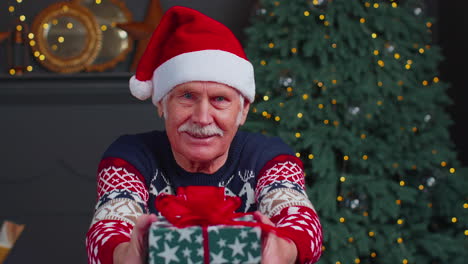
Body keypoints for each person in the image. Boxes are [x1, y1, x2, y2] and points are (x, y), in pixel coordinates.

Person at [86, 6, 322, 264]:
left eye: (220, 99)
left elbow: (303, 224)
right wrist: (127, 254)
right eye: (187, 96)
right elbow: (106, 230)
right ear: (162, 104)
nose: (202, 117)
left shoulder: (269, 158)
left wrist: (281, 251)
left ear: (242, 110)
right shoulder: (130, 157)